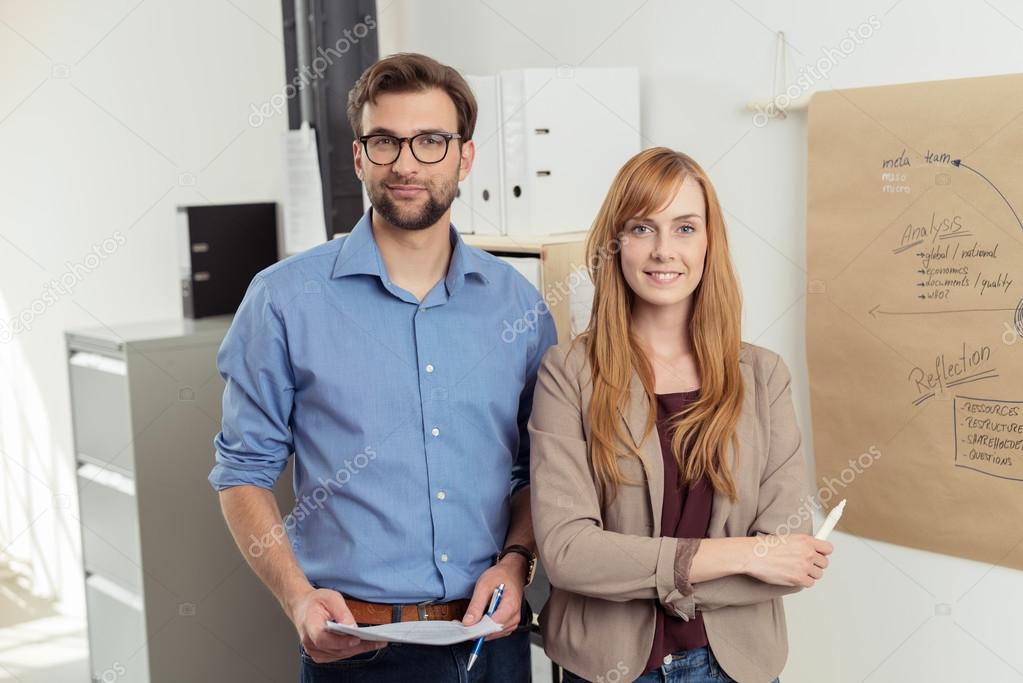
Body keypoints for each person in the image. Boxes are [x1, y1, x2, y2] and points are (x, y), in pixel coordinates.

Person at [209, 52, 556, 682]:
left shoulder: (518, 307)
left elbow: (537, 468)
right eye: (385, 141)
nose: (406, 163)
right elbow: (242, 474)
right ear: (359, 156)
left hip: (493, 647)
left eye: (430, 141)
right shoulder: (283, 299)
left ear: (464, 157)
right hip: (356, 651)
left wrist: (516, 562)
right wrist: (296, 598)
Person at [529, 147, 833, 683]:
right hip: (608, 668)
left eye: (685, 228)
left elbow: (789, 555)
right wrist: (746, 554)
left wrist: (633, 569)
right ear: (615, 243)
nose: (663, 250)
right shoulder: (569, 372)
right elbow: (570, 554)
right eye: (642, 228)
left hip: (736, 666)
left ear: (709, 241)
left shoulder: (763, 376)